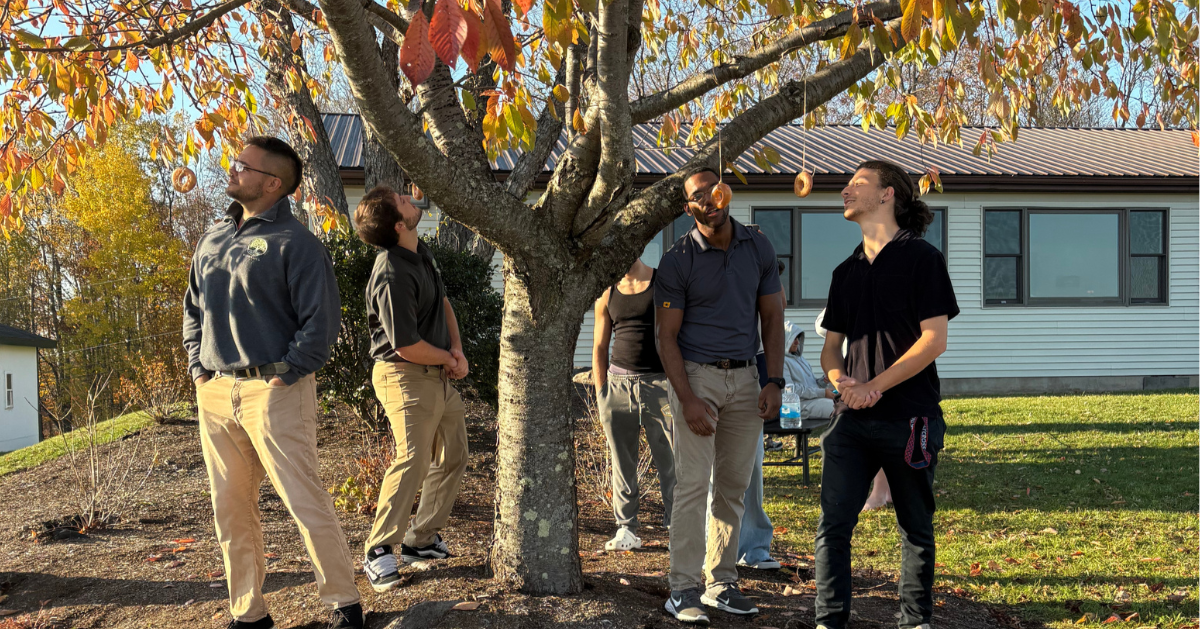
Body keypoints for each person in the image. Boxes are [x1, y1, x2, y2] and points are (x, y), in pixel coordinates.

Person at [183, 136, 363, 629]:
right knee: (231, 511)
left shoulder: (297, 244)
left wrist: (286, 375)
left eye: (243, 165)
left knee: (304, 501)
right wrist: (199, 370)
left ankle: (344, 605)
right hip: (216, 393)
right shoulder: (213, 238)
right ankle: (249, 614)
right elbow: (193, 309)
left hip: (275, 391)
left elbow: (320, 324)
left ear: (272, 183)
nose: (232, 169)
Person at [814, 160, 959, 629]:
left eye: (857, 183)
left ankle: (915, 621)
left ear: (887, 195)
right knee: (833, 525)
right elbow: (830, 348)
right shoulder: (844, 272)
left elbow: (934, 340)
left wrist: (876, 386)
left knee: (915, 526)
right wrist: (842, 383)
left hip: (910, 418)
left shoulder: (923, 259)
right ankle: (828, 621)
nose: (844, 191)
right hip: (850, 421)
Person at [656, 167, 785, 624]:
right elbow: (665, 337)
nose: (709, 200)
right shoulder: (677, 260)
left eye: (713, 190)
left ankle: (721, 582)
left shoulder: (758, 246)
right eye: (697, 196)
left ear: (725, 191)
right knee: (692, 485)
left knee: (733, 486)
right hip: (697, 378)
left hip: (747, 379)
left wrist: (774, 379)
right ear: (688, 207)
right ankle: (683, 588)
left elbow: (772, 318)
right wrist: (687, 398)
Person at [353, 185, 471, 592]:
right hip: (403, 374)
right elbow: (404, 344)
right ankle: (378, 550)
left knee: (454, 453)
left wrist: (455, 350)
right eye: (404, 202)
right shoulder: (390, 271)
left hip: (435, 372)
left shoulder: (418, 252)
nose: (411, 199)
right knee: (414, 458)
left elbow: (442, 303)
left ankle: (420, 540)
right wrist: (445, 358)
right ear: (399, 224)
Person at [591, 258, 676, 551]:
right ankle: (626, 529)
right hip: (617, 387)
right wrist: (602, 394)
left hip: (659, 385)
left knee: (672, 460)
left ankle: (677, 527)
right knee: (622, 462)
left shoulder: (661, 281)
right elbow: (600, 347)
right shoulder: (607, 291)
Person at [816, 309, 890, 511]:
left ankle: (880, 492)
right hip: (854, 382)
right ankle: (880, 492)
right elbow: (825, 333)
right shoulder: (845, 288)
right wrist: (844, 386)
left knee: (882, 437)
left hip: (879, 382)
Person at [782, 320, 836, 423]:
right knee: (841, 409)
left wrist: (823, 381)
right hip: (799, 406)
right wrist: (822, 393)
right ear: (785, 338)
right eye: (794, 339)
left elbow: (811, 385)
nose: (797, 342)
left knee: (846, 404)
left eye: (798, 338)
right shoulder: (782, 362)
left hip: (814, 401)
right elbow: (790, 390)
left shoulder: (801, 359)